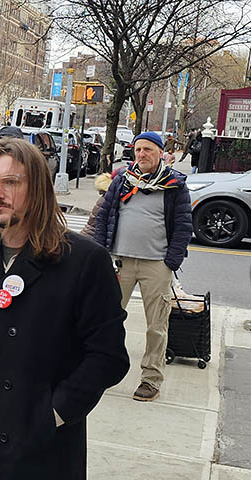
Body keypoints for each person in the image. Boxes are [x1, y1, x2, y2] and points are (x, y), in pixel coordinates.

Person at [0, 138, 129, 478]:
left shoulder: (84, 261)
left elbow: (108, 356)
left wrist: (54, 414)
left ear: (37, 187)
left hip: (40, 449)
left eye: (10, 182)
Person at [93, 131, 192, 402]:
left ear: (161, 152)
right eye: (138, 150)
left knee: (156, 326)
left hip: (156, 264)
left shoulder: (174, 185)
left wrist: (171, 261)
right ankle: (100, 371)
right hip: (120, 263)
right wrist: (99, 255)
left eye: (147, 149)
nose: (141, 154)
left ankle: (151, 380)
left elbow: (184, 227)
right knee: (106, 321)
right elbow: (104, 217)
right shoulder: (122, 181)